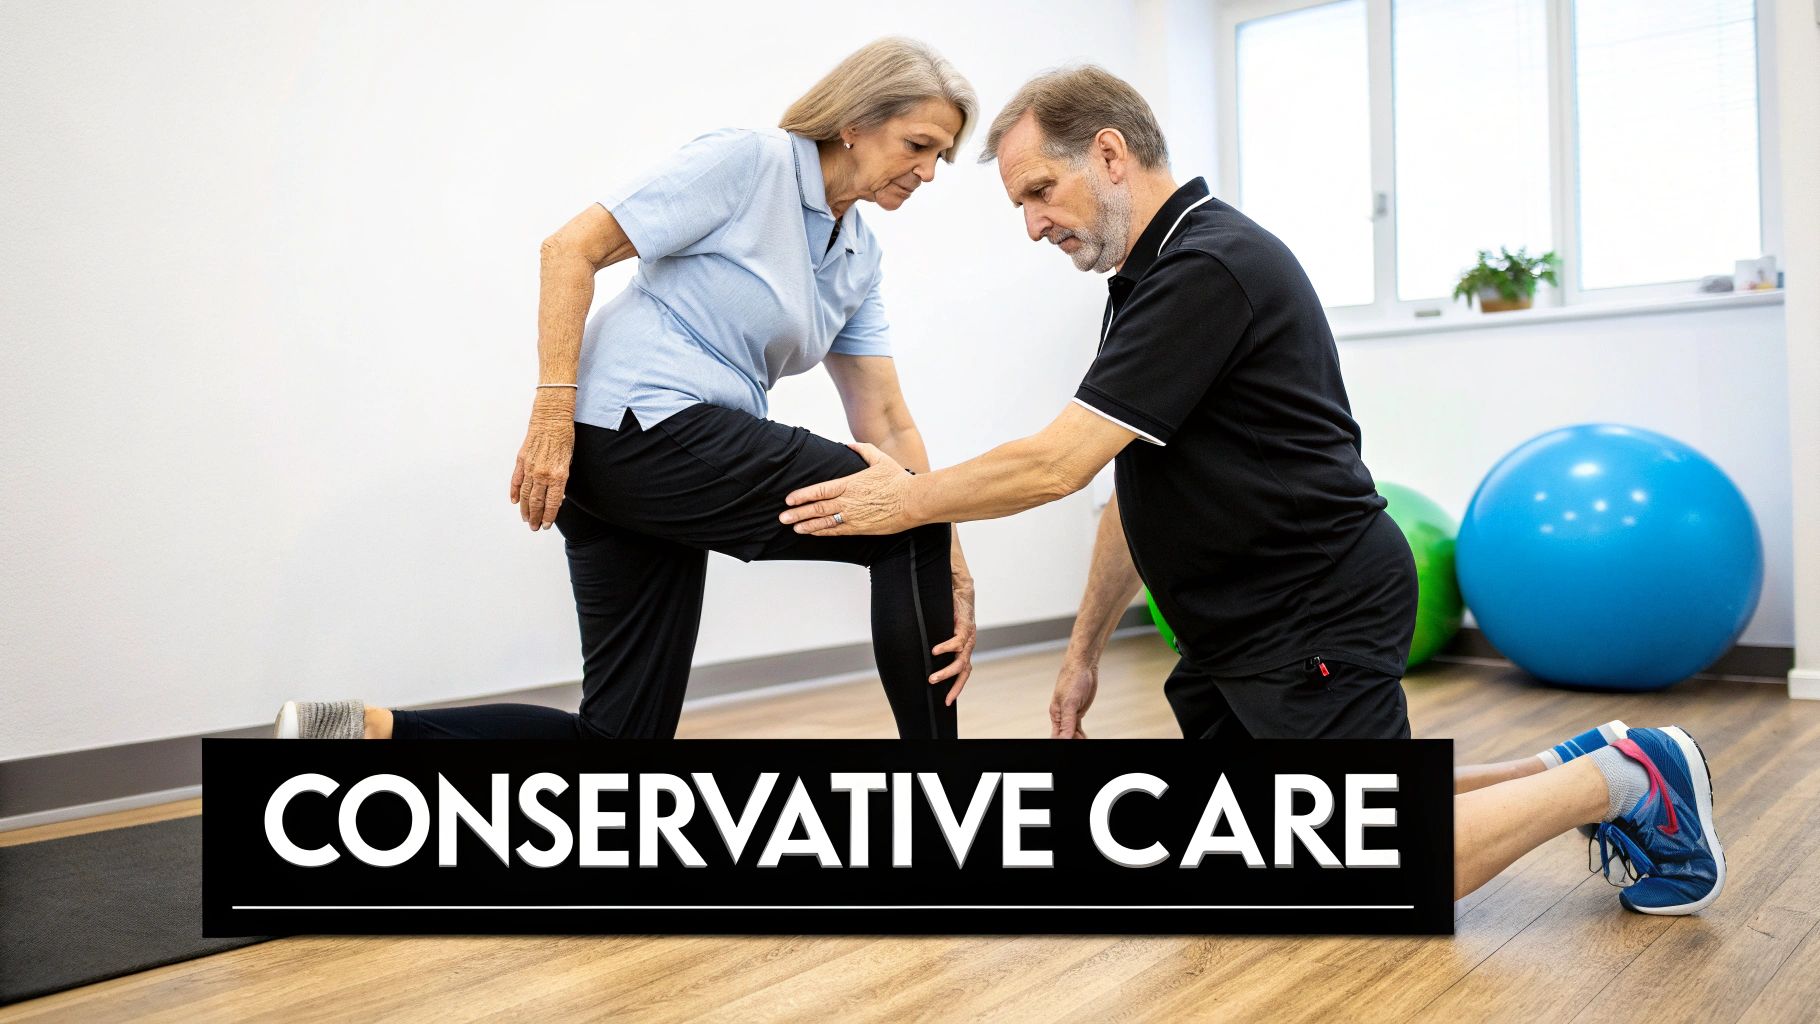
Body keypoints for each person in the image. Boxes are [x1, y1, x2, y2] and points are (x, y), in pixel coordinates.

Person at [776, 66, 1724, 914]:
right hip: (1233, 627)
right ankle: (1565, 768)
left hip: (1309, 607)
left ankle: (1628, 781)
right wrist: (1082, 655)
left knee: (1372, 863)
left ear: (1108, 155)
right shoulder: (1145, 279)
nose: (1033, 225)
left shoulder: (1208, 266)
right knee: (1260, 844)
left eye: (1039, 191)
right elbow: (1126, 485)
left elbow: (1055, 462)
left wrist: (902, 501)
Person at [275, 38, 980, 742]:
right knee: (904, 514)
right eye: (917, 145)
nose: (926, 171)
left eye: (940, 157)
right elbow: (568, 248)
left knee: (619, 743)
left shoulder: (858, 254)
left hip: (646, 455)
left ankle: (358, 729)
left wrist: (946, 546)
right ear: (854, 121)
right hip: (642, 423)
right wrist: (552, 414)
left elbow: (886, 421)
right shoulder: (752, 163)